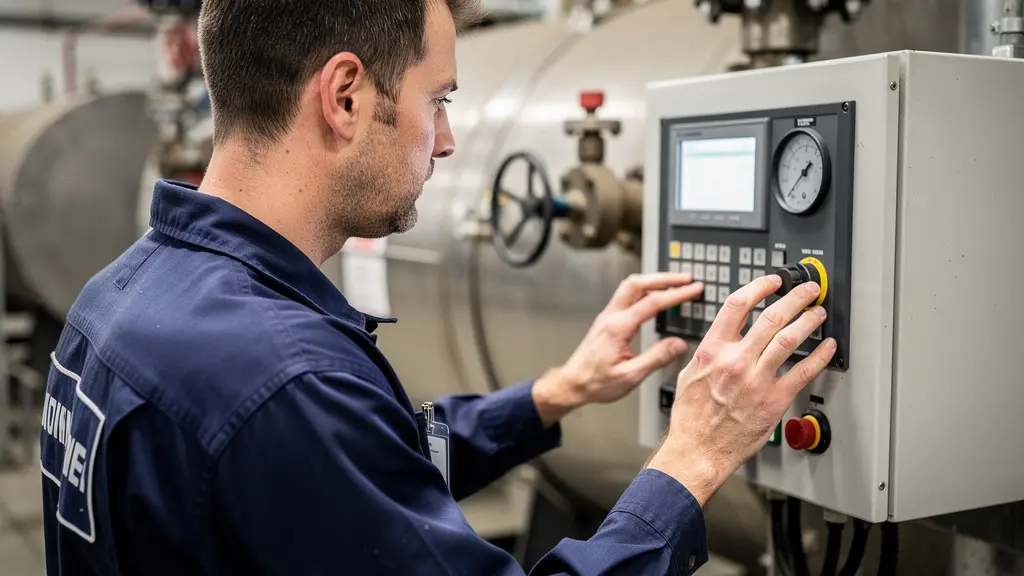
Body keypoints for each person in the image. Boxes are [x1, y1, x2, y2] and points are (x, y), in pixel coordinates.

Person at [37, 0, 836, 574]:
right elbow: (315, 436)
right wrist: (694, 459)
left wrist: (555, 394)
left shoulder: (120, 296)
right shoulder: (281, 381)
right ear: (344, 96)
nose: (448, 141)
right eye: (439, 99)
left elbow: (360, 474)